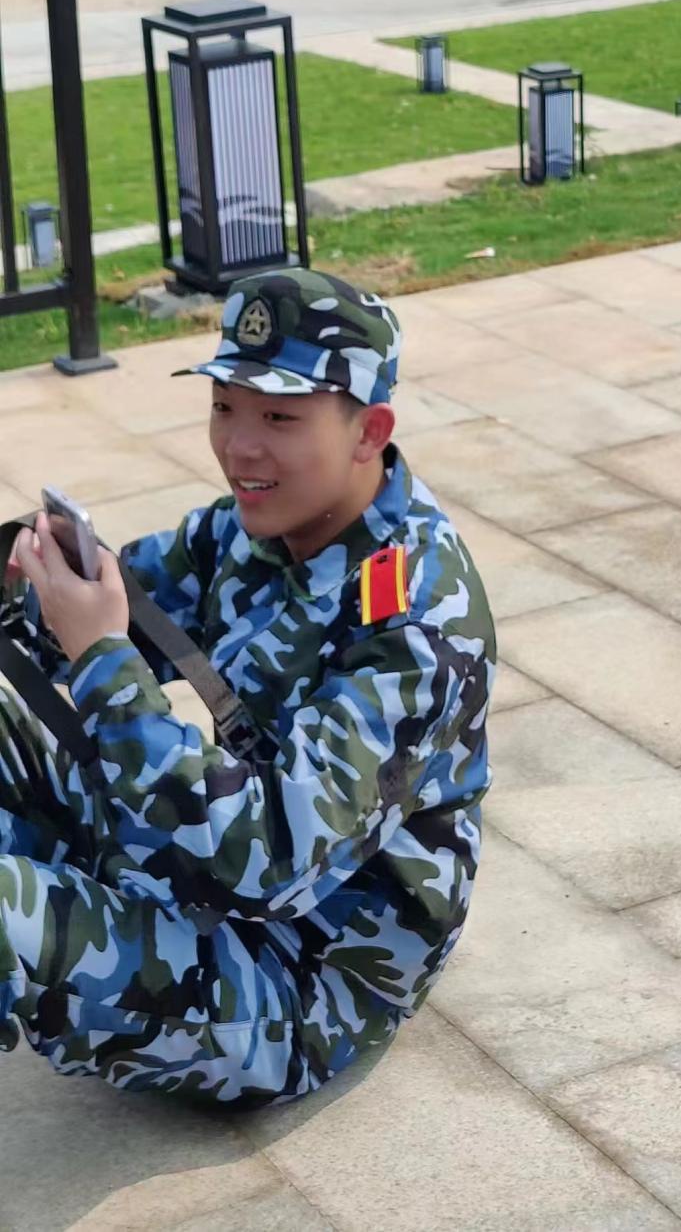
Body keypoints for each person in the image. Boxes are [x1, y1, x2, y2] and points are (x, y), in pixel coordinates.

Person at [0, 268, 495, 1107]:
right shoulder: (253, 528)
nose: (239, 447)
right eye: (225, 406)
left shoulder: (414, 621)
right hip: (198, 879)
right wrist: (37, 581)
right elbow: (119, 606)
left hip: (296, 981)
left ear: (369, 432)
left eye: (279, 417)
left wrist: (102, 658)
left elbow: (271, 859)